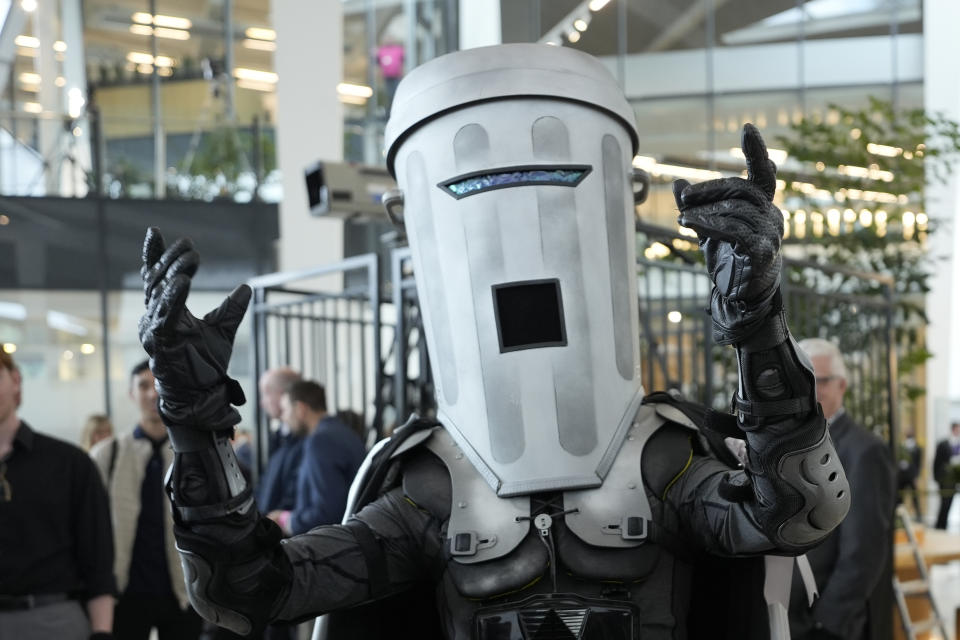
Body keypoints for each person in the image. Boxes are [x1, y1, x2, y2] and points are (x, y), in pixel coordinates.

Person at [135, 44, 850, 640]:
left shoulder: (662, 458)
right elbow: (249, 592)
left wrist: (758, 329)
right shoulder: (430, 488)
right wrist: (195, 422)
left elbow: (795, 514)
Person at [0, 349, 115, 640]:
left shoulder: (69, 463)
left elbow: (98, 558)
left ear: (15, 380)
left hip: (52, 619)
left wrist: (102, 632)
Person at [788, 338, 896, 640]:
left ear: (842, 386)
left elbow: (864, 551)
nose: (811, 390)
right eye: (803, 380)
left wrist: (827, 623)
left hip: (828, 624)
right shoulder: (791, 446)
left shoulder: (864, 451)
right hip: (790, 617)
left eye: (820, 381)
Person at [90, 361, 202, 640]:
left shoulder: (192, 454)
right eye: (143, 385)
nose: (153, 394)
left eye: (159, 384)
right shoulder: (108, 454)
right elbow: (89, 525)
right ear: (131, 394)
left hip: (183, 590)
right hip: (125, 590)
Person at [266, 381, 366, 536]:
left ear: (300, 409)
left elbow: (327, 513)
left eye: (285, 410)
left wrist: (285, 520)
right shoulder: (343, 432)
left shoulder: (321, 441)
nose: (283, 417)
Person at [933, 421, 960, 529]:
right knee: (944, 503)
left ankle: (944, 524)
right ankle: (940, 525)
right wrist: (936, 478)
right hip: (945, 479)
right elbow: (936, 462)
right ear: (953, 429)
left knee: (950, 503)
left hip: (955, 479)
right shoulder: (943, 444)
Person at [897, 426, 923, 517]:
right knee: (900, 498)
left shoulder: (917, 448)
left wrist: (916, 477)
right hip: (902, 476)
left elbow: (918, 464)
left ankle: (919, 516)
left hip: (912, 476)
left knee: (915, 497)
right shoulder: (901, 446)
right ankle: (899, 516)